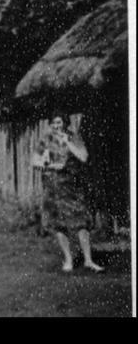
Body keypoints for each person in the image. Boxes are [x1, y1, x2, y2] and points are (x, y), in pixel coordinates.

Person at [32, 114, 103, 273]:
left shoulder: (74, 137)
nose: (56, 126)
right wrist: (48, 164)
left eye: (59, 122)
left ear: (65, 123)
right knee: (58, 223)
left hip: (73, 187)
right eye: (53, 123)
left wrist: (68, 142)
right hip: (53, 188)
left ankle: (88, 260)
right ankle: (68, 260)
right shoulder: (46, 139)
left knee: (81, 222)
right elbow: (35, 161)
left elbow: (84, 157)